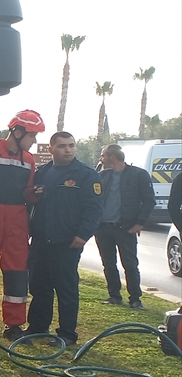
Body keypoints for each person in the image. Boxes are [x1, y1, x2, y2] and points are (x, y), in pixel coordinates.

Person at [25, 131, 103, 346]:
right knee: (39, 286)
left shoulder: (85, 174)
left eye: (71, 145)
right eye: (62, 146)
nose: (68, 150)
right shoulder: (42, 173)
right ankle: (38, 327)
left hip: (66, 241)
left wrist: (83, 235)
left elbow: (94, 209)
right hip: (41, 240)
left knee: (66, 289)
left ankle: (67, 334)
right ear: (51, 149)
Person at [0, 111, 44, 341]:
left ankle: (14, 324)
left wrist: (34, 194)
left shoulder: (28, 160)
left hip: (17, 218)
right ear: (17, 132)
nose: (34, 141)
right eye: (32, 136)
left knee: (17, 271)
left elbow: (27, 191)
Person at [95, 144, 156, 310]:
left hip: (126, 228)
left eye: (103, 155)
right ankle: (114, 296)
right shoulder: (102, 176)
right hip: (103, 228)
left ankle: (135, 299)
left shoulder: (138, 175)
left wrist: (139, 223)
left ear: (112, 157)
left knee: (130, 264)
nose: (101, 159)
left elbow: (149, 201)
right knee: (108, 263)